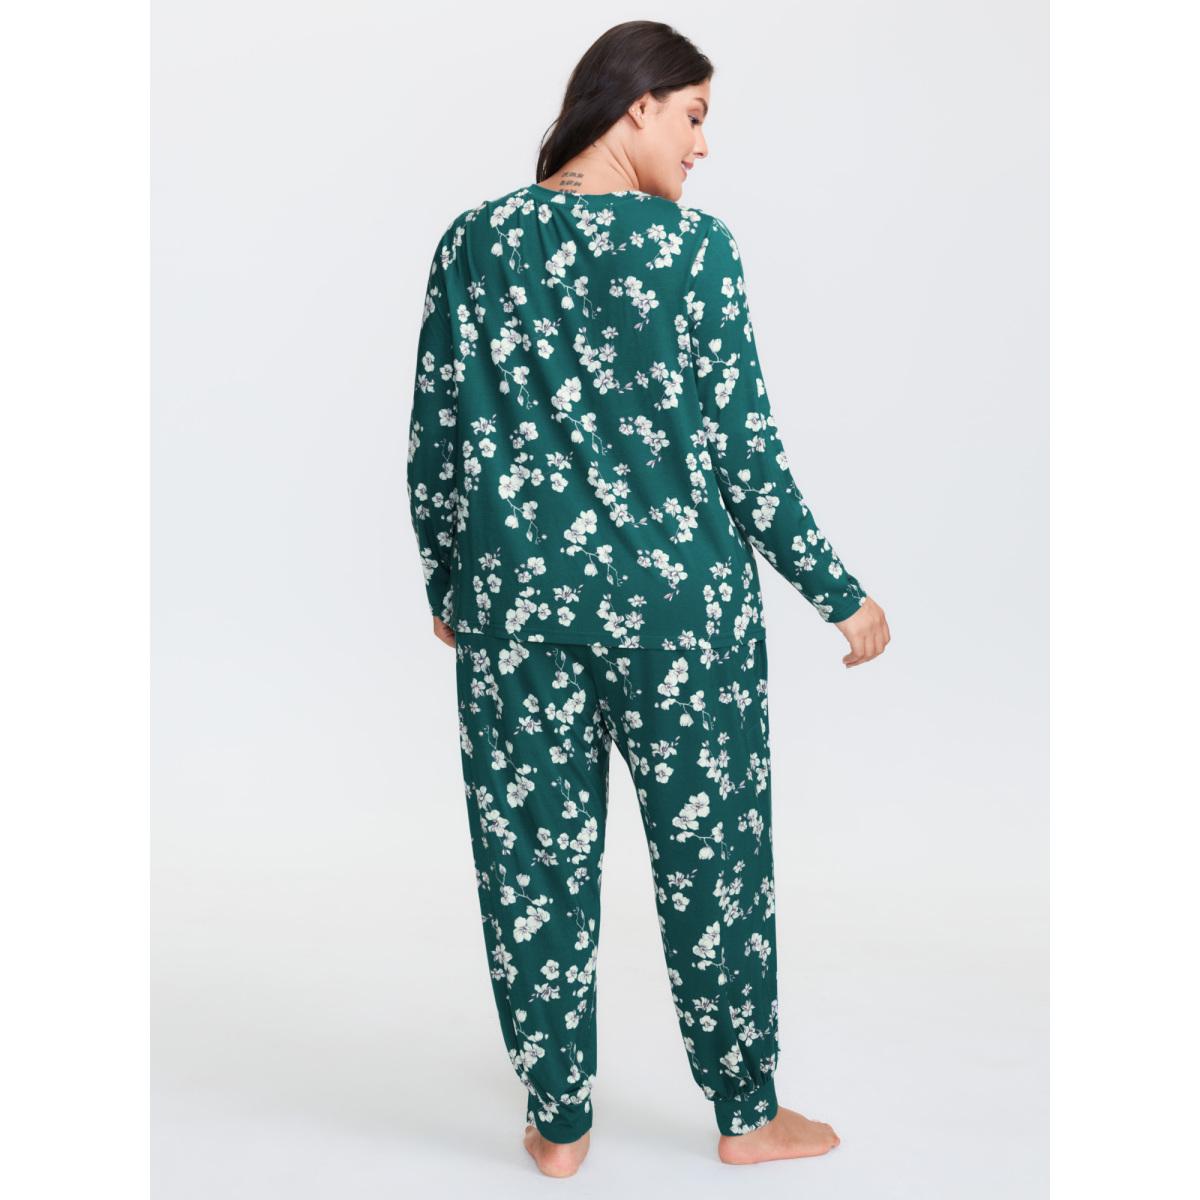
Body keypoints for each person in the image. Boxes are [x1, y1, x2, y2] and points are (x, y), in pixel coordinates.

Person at [406, 19, 890, 1178]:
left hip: (520, 609)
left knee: (532, 869)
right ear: (636, 106)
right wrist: (839, 593)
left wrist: (449, 578)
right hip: (683, 616)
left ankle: (559, 1124)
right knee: (713, 864)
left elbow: (435, 438)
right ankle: (746, 1114)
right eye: (695, 115)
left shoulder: (475, 243)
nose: (703, 145)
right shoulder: (694, 251)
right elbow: (745, 456)